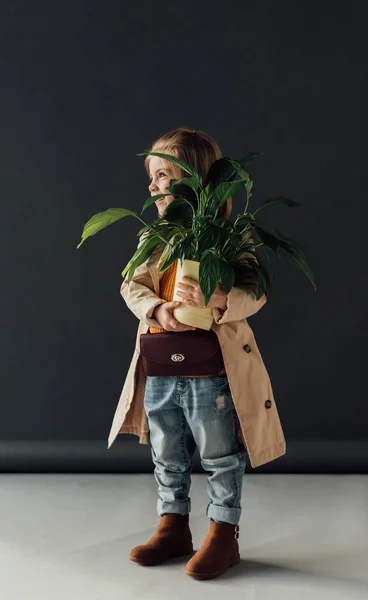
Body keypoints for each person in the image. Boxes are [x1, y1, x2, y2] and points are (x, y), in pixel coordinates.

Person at [107, 127, 286, 581]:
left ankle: (223, 535)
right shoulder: (157, 237)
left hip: (212, 371)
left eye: (164, 175)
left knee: (219, 454)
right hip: (161, 364)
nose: (152, 186)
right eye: (152, 176)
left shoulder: (228, 237)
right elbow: (132, 284)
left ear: (197, 181)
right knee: (167, 450)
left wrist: (219, 298)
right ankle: (173, 525)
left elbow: (255, 291)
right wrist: (159, 309)